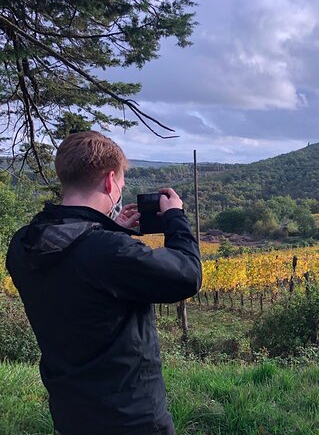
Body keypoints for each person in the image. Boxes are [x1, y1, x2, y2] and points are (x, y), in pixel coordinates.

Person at [6, 131, 202, 435]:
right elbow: (188, 275)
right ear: (110, 181)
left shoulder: (23, 243)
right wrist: (176, 218)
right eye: (121, 184)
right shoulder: (109, 252)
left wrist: (112, 231)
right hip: (130, 418)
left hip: (70, 413)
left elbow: (81, 279)